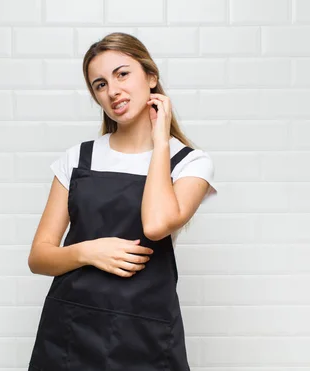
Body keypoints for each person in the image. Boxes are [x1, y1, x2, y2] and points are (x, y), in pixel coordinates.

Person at [27, 32, 217, 370]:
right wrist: (88, 251)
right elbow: (39, 257)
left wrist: (160, 142)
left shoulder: (189, 162)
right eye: (99, 85)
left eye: (122, 74)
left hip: (144, 335)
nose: (112, 90)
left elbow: (157, 225)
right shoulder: (78, 159)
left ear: (151, 77)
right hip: (71, 331)